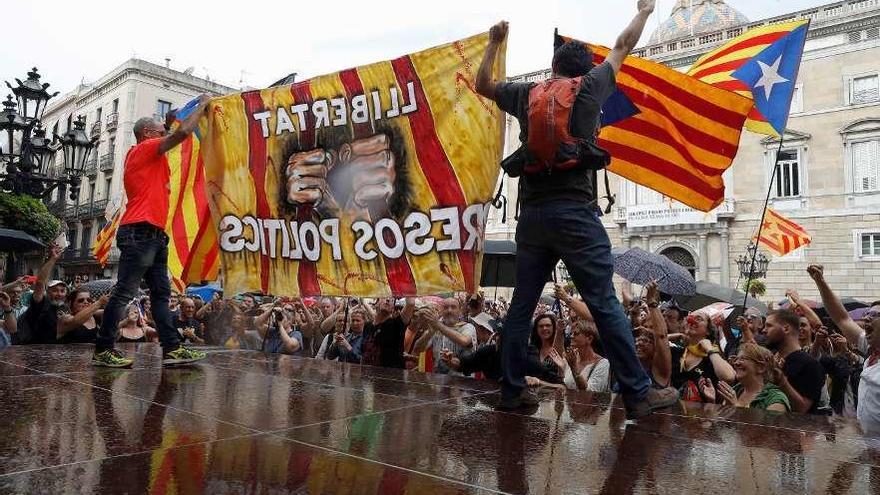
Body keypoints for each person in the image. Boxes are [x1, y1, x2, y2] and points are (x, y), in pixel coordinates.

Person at [474, 1, 677, 417]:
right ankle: (638, 395)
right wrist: (643, 12)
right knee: (602, 302)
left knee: (521, 306)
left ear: (553, 67)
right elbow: (623, 45)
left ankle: (511, 391)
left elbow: (483, 84)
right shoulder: (590, 86)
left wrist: (494, 43)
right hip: (575, 213)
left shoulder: (526, 93)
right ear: (585, 68)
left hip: (531, 216)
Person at [94, 96, 212, 367]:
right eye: (160, 129)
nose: (164, 131)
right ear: (147, 134)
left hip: (153, 234)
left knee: (161, 294)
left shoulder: (146, 153)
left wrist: (172, 119)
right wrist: (203, 106)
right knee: (124, 292)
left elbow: (173, 129)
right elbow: (181, 133)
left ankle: (171, 348)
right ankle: (103, 350)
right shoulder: (144, 149)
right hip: (141, 231)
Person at [808, 265, 879, 431]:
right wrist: (820, 281)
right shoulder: (871, 350)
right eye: (866, 314)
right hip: (869, 447)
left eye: (874, 315)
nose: (867, 319)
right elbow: (842, 318)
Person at [763, 309, 826, 415]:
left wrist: (782, 381)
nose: (763, 330)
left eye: (769, 326)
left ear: (786, 328)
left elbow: (802, 409)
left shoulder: (810, 365)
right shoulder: (772, 359)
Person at [672, 311, 736, 403]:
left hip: (705, 414)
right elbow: (655, 341)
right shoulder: (676, 352)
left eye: (699, 319)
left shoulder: (712, 358)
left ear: (708, 331)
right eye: (690, 317)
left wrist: (710, 349)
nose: (692, 320)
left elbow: (729, 377)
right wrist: (675, 336)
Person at [708, 343, 790, 412]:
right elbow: (722, 425)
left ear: (761, 368)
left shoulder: (775, 398)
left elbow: (768, 430)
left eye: (742, 359)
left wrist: (736, 407)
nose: (736, 363)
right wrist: (711, 402)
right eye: (736, 359)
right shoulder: (736, 390)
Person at [411, 298, 477, 376]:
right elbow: (417, 350)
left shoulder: (468, 327)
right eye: (446, 307)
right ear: (442, 311)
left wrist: (438, 325)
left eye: (453, 307)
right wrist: (429, 333)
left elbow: (464, 341)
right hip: (439, 381)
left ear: (459, 311)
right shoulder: (436, 327)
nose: (449, 311)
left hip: (462, 382)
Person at [20, 245, 66, 344]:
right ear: (47, 292)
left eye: (62, 291)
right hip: (35, 353)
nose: (59, 294)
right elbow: (40, 282)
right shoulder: (42, 304)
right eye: (55, 290)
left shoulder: (65, 308)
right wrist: (53, 259)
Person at [563, 320, 610, 392]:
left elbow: (590, 393)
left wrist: (575, 369)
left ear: (589, 338)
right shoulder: (573, 358)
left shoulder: (603, 364)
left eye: (576, 334)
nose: (571, 336)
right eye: (571, 333)